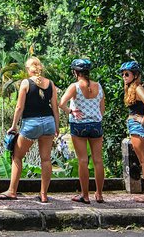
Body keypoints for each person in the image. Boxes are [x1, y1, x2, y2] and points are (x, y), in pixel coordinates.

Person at [0, 57, 59, 203]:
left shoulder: (26, 83)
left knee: (17, 156)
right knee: (46, 159)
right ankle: (43, 194)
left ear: (29, 69)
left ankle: (12, 191)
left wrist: (13, 126)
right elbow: (55, 107)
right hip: (49, 122)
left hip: (31, 123)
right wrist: (57, 125)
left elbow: (19, 107)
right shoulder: (50, 84)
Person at [58, 58, 105, 204]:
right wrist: (96, 117)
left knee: (83, 161)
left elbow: (61, 103)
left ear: (76, 72)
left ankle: (85, 195)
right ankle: (99, 194)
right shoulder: (98, 86)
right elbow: (102, 108)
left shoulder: (75, 86)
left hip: (79, 125)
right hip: (96, 124)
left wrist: (71, 111)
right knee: (98, 160)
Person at [120, 61, 144, 204]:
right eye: (123, 74)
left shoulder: (137, 88)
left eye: (127, 74)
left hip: (138, 126)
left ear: (135, 75)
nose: (124, 76)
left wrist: (143, 120)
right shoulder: (133, 88)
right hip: (139, 125)